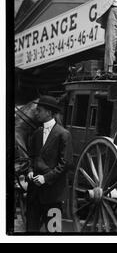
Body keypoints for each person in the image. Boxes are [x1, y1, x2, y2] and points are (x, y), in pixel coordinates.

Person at [26, 96, 73, 232]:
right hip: (33, 195)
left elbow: (66, 163)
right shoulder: (36, 133)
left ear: (48, 112)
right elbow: (31, 157)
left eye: (39, 110)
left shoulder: (64, 134)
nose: (36, 113)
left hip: (54, 196)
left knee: (54, 232)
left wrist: (45, 178)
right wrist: (29, 170)